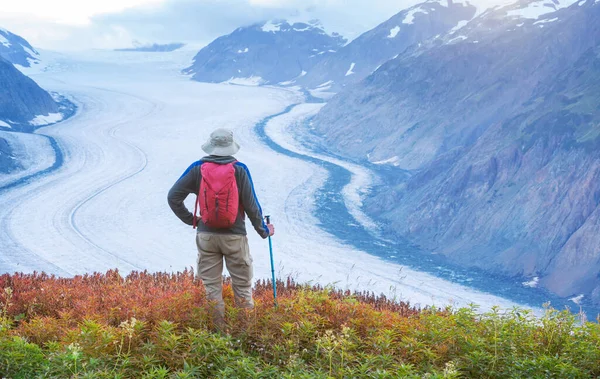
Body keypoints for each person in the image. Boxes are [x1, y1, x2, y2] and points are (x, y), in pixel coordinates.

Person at [167, 128, 274, 329]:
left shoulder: (197, 168)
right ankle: (245, 336)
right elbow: (252, 206)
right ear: (231, 147)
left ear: (211, 145)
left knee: (212, 289)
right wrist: (264, 230)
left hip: (206, 236)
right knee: (242, 288)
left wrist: (193, 220)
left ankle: (218, 338)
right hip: (235, 238)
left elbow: (173, 197)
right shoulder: (240, 169)